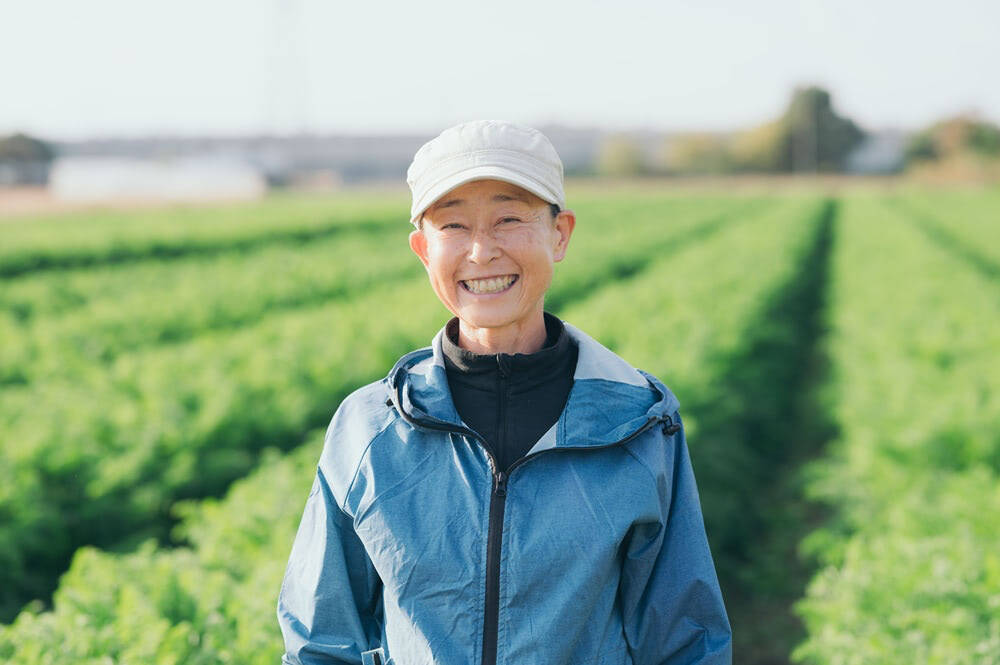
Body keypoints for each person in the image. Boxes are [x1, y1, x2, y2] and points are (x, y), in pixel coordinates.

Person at [277, 120, 732, 665]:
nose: (481, 251)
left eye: (509, 219)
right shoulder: (369, 427)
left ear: (559, 234)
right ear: (423, 249)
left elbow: (685, 639)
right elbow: (321, 642)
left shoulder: (637, 421)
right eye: (453, 226)